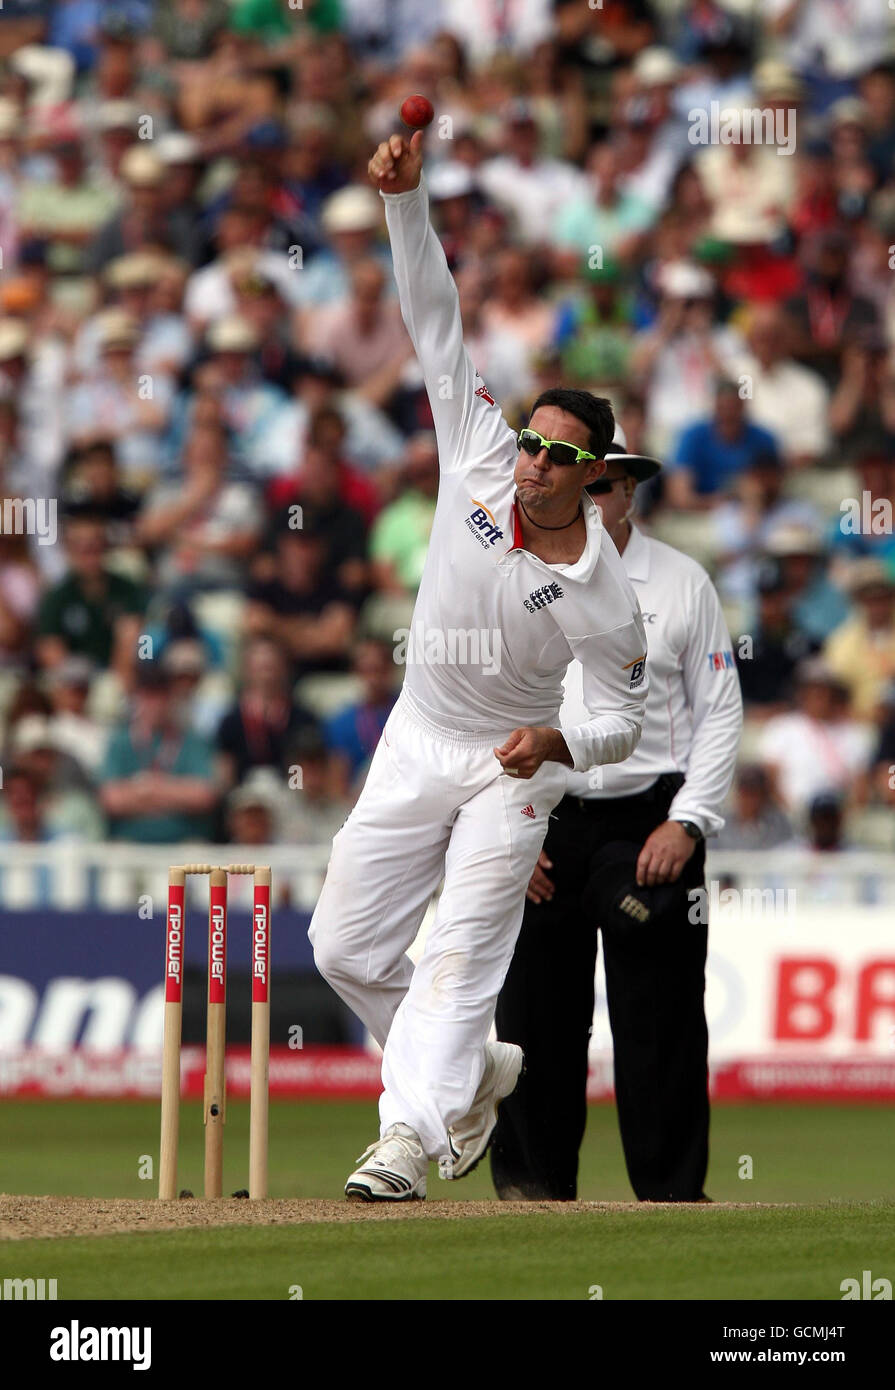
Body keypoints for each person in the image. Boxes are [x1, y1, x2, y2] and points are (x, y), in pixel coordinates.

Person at [309, 130, 649, 1203]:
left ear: (594, 477)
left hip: (515, 767)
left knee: (460, 955)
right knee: (342, 947)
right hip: (419, 734)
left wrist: (558, 742)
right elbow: (434, 318)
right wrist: (405, 207)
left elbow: (625, 722)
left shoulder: (602, 589)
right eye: (535, 442)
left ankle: (404, 1141)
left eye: (561, 455)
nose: (536, 462)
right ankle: (475, 1074)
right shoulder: (475, 447)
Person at [491, 442, 743, 1203]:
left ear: (628, 492)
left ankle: (671, 1195)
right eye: (582, 481)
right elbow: (482, 707)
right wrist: (507, 828)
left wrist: (689, 821)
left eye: (605, 485)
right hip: (544, 813)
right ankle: (532, 1190)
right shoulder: (513, 573)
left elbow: (719, 713)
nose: (591, 497)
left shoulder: (679, 580)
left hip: (649, 817)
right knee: (534, 1018)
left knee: (658, 1020)